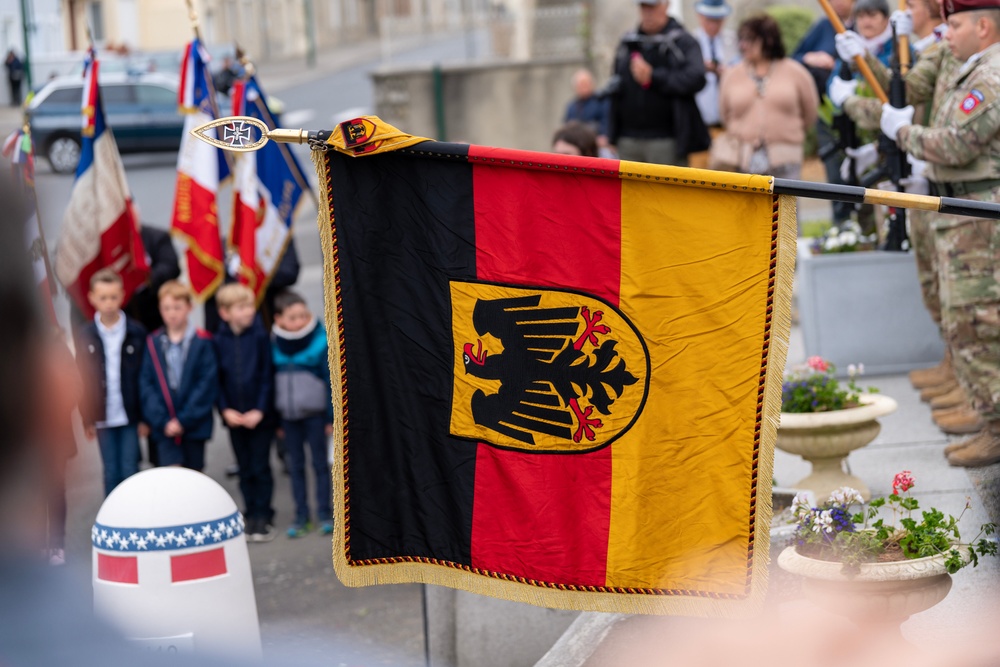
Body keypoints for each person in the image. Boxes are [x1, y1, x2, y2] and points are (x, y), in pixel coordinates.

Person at [879, 0, 1000, 466]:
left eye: (955, 24)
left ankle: (996, 425)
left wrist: (906, 132)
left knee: (978, 323)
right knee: (965, 320)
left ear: (983, 26)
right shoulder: (975, 71)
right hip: (965, 211)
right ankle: (990, 419)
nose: (945, 33)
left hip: (978, 218)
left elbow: (957, 143)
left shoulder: (988, 77)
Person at [607, 0, 709, 166]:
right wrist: (610, 132)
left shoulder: (682, 42)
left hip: (667, 140)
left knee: (667, 192)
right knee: (632, 193)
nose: (648, 12)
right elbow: (617, 86)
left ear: (666, 5)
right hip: (628, 140)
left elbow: (696, 78)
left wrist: (654, 77)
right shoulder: (628, 42)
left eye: (652, 7)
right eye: (643, 7)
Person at [717, 15, 819, 178]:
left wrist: (787, 132)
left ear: (769, 40)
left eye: (751, 40)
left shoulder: (796, 72)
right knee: (747, 204)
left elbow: (810, 112)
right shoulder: (731, 74)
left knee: (785, 204)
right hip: (742, 159)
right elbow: (725, 114)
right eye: (741, 39)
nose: (744, 45)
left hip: (786, 157)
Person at [75, 269, 148, 496]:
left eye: (113, 297)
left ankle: (136, 520)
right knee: (111, 471)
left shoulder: (136, 332)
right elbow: (82, 380)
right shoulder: (85, 334)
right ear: (92, 298)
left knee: (130, 469)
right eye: (103, 297)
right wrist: (87, 418)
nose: (108, 303)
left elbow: (145, 378)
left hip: (129, 413)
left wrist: (145, 417)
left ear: (123, 296)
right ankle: (113, 521)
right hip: (102, 415)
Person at [214, 283, 277, 542]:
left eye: (250, 306)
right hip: (234, 418)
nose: (250, 311)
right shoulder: (218, 341)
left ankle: (264, 514)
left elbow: (267, 376)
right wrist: (225, 410)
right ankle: (249, 512)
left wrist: (260, 410)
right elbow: (217, 379)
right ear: (225, 313)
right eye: (242, 307)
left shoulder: (261, 337)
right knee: (244, 466)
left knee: (261, 465)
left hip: (259, 417)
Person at [272, 290, 333, 538]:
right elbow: (271, 384)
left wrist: (330, 417)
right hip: (288, 417)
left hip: (316, 416)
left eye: (303, 315)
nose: (299, 321)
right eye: (292, 317)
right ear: (278, 319)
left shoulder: (321, 341)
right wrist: (277, 419)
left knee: (320, 465)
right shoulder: (274, 343)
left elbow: (331, 383)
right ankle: (301, 516)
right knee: (295, 466)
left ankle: (325, 513)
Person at [140, 280, 218, 471]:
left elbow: (206, 383)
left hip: (193, 425)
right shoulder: (153, 342)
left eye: (177, 307)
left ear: (189, 307)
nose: (172, 313)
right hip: (164, 425)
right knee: (172, 477)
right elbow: (146, 383)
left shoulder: (202, 341)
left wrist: (184, 420)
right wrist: (162, 420)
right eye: (166, 308)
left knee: (193, 476)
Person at [793, 0, 856, 226]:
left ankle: (864, 227)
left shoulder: (862, 24)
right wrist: (811, 58)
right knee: (834, 173)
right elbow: (794, 57)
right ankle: (841, 226)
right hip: (828, 113)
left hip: (859, 115)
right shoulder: (823, 27)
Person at [692, 0, 740, 131]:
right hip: (699, 118)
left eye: (718, 20)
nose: (713, 25)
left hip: (729, 118)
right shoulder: (690, 41)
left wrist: (727, 72)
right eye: (709, 20)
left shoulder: (734, 40)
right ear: (700, 16)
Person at [124, 225, 181, 334]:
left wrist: (144, 278)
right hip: (128, 311)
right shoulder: (114, 241)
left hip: (156, 305)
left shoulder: (157, 236)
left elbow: (172, 267)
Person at [563, 69, 611, 153]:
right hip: (577, 146)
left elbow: (607, 122)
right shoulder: (572, 106)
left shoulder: (601, 101)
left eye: (586, 83)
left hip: (597, 145)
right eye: (581, 84)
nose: (584, 87)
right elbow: (567, 127)